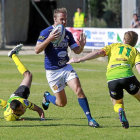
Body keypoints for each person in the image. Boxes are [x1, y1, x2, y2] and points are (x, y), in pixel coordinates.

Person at [35, 7, 99, 128]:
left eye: (65, 19)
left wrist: (82, 46)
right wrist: (50, 39)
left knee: (79, 90)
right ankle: (47, 96)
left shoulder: (68, 34)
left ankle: (90, 119)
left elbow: (77, 51)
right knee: (62, 103)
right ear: (55, 19)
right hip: (52, 72)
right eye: (62, 19)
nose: (64, 22)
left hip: (65, 68)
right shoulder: (46, 32)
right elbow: (37, 50)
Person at [67, 31, 140, 129]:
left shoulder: (114, 46)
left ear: (124, 40)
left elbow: (98, 53)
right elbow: (138, 67)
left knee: (117, 102)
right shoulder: (135, 51)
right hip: (127, 77)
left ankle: (120, 111)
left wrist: (80, 59)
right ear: (135, 42)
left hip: (112, 78)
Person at [0, 44, 45, 121]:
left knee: (28, 75)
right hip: (9, 101)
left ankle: (13, 55)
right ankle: (13, 54)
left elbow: (39, 109)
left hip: (20, 95)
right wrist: (19, 120)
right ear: (14, 111)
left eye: (22, 107)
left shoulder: (23, 102)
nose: (23, 110)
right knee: (28, 75)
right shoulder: (10, 116)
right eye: (21, 109)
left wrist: (42, 119)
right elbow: (5, 105)